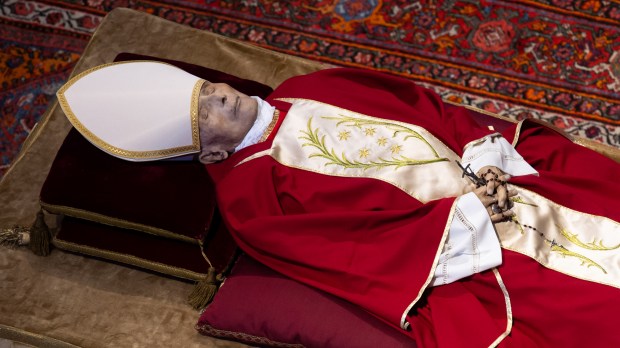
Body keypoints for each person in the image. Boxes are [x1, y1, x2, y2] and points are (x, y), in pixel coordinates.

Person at [58, 61, 620, 347]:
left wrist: (486, 157)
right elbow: (356, 253)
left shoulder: (307, 85)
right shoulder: (249, 198)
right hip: (474, 247)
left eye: (205, 88)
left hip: (496, 180)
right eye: (203, 112)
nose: (217, 95)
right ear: (208, 152)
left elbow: (424, 106)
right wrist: (472, 211)